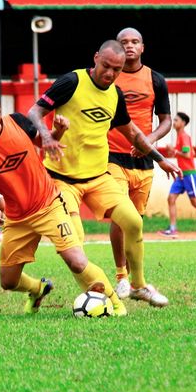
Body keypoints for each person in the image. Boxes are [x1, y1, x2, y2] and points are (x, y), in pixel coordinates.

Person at [27, 40, 181, 308]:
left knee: (133, 222)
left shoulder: (115, 95)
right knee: (74, 242)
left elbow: (132, 133)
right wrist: (46, 136)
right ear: (96, 57)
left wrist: (160, 159)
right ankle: (99, 294)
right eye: (106, 66)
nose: (110, 73)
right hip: (62, 180)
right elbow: (35, 111)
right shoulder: (72, 82)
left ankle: (138, 285)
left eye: (117, 69)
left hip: (98, 178)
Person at [0, 83, 126, 315]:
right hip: (17, 218)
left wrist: (57, 132)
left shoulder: (18, 122)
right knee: (8, 281)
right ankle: (38, 289)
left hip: (48, 204)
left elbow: (43, 143)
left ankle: (116, 305)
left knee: (77, 262)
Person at [107, 27, 172, 299]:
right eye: (124, 42)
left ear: (143, 47)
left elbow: (166, 120)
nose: (130, 46)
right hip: (111, 154)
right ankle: (122, 277)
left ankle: (137, 282)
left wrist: (149, 139)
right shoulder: (107, 77)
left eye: (135, 42)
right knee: (121, 215)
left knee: (135, 220)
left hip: (143, 159)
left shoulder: (156, 80)